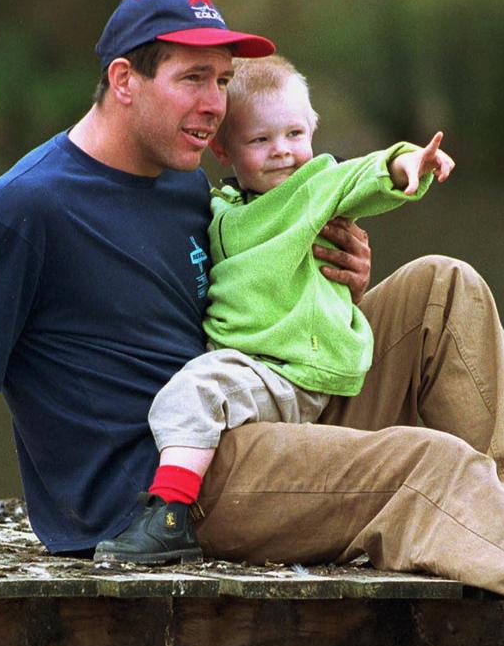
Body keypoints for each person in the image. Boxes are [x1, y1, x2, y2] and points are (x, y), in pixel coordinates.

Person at [0, 0, 504, 628]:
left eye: (222, 81)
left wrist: (344, 290)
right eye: (194, 78)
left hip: (258, 401)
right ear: (123, 80)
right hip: (168, 488)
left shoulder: (183, 181)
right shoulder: (15, 212)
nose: (214, 105)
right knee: (425, 466)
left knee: (441, 288)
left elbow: (248, 301)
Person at [95, 54, 455, 564]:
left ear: (313, 130)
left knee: (193, 390)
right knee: (200, 387)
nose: (282, 152)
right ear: (223, 149)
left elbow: (360, 177)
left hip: (289, 371)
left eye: (293, 134)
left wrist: (405, 164)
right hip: (252, 370)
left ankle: (170, 514)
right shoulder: (221, 208)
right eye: (260, 140)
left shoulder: (315, 188)